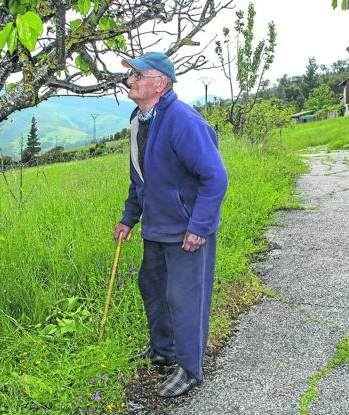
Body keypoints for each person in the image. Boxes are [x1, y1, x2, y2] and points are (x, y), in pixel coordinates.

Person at [114, 51, 228, 398]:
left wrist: (200, 226)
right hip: (156, 228)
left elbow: (215, 177)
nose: (129, 81)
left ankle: (191, 368)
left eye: (136, 75)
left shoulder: (184, 121)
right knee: (152, 288)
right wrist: (128, 218)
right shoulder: (139, 120)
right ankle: (163, 351)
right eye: (130, 75)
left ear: (160, 83)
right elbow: (141, 179)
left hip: (186, 231)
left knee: (185, 298)